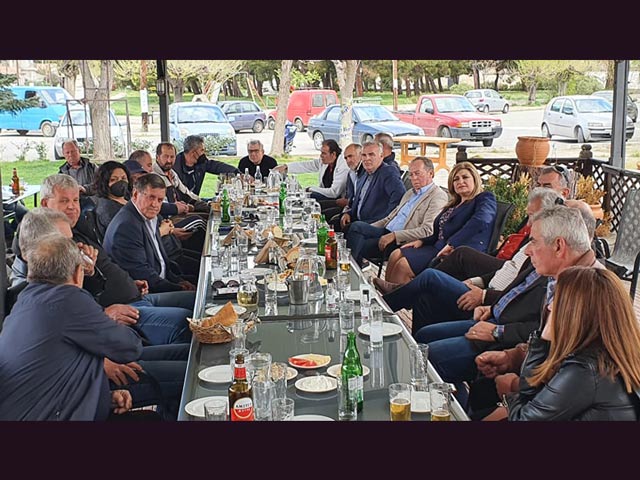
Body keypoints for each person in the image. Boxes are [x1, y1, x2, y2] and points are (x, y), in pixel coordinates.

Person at [419, 205, 599, 392]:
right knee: (424, 338)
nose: (527, 251)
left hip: (514, 348)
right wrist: (512, 356)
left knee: (428, 358)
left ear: (559, 246)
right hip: (509, 337)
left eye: (533, 242)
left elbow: (567, 379)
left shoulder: (587, 291)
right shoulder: (562, 275)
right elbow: (544, 342)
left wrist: (514, 382)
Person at [381, 188, 561, 336]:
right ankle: (415, 347)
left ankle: (382, 310)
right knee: (425, 296)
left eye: (532, 216)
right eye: (456, 179)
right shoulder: (532, 243)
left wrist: (484, 296)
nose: (528, 223)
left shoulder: (544, 256)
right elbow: (508, 269)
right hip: (486, 285)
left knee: (432, 275)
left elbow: (521, 299)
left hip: (491, 302)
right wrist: (477, 281)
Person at [0, 234, 143, 420]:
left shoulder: (24, 301)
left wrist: (105, 398)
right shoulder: (67, 299)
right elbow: (130, 347)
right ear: (77, 272)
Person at [506, 267, 640, 421]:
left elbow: (522, 419)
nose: (550, 306)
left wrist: (509, 397)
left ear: (574, 312)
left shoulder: (585, 371)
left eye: (557, 300)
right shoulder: (619, 353)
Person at [379, 161, 497, 286]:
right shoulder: (453, 205)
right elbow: (439, 232)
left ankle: (397, 296)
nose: (460, 181)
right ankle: (388, 292)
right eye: (456, 179)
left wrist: (452, 244)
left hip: (457, 252)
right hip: (437, 246)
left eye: (465, 177)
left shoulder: (484, 198)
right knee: (395, 254)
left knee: (403, 266)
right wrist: (422, 241)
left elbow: (481, 221)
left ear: (475, 179)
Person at [104, 173, 197, 294]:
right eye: (151, 197)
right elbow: (142, 274)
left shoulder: (151, 217)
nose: (155, 204)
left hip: (161, 282)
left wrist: (178, 281)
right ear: (135, 194)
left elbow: (162, 264)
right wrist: (178, 288)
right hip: (143, 293)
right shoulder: (126, 227)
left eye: (160, 200)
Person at [346, 156, 448, 266]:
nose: (413, 178)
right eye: (411, 174)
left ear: (431, 173)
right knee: (355, 228)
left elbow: (427, 230)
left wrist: (395, 235)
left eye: (417, 173)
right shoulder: (410, 193)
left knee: (357, 244)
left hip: (401, 240)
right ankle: (352, 265)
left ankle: (349, 266)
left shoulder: (437, 196)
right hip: (386, 230)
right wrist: (368, 229)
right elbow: (389, 218)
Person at [337, 140, 405, 234]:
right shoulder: (365, 173)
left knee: (352, 229)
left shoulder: (388, 172)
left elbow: (399, 200)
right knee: (334, 223)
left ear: (381, 156)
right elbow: (356, 200)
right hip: (357, 220)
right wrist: (347, 213)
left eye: (371, 154)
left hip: (375, 224)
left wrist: (384, 221)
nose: (367, 158)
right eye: (364, 155)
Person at [274, 139, 349, 202]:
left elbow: (334, 192)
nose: (321, 155)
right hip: (326, 196)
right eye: (321, 152)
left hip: (338, 200)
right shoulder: (325, 162)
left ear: (333, 154)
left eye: (324, 153)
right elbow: (308, 165)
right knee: (300, 197)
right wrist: (286, 167)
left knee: (307, 197)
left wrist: (310, 189)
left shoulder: (343, 166)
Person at [153, 142, 210, 213]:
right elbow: (161, 205)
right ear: (157, 157)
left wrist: (205, 202)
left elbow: (186, 192)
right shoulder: (153, 176)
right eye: (166, 156)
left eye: (172, 157)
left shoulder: (172, 173)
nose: (169, 160)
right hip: (168, 216)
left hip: (181, 210)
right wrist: (185, 207)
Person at [173, 134, 239, 195]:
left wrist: (237, 172)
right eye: (202, 150)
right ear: (193, 152)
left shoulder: (201, 163)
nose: (204, 153)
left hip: (194, 200)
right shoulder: (174, 167)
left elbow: (216, 166)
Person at [93, 160, 132, 239]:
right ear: (104, 183)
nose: (120, 182)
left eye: (123, 178)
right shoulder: (107, 209)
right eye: (113, 179)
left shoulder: (128, 198)